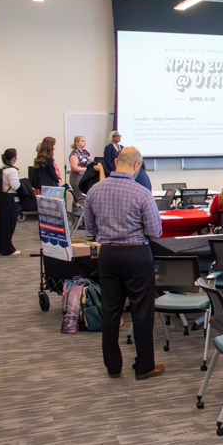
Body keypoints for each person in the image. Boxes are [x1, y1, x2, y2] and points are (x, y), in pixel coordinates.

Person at [82, 146, 164, 380]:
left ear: (116, 161)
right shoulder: (142, 193)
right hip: (137, 255)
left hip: (107, 255)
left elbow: (90, 228)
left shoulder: (95, 191)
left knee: (110, 311)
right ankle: (144, 365)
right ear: (137, 166)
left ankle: (113, 366)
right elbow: (155, 231)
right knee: (141, 311)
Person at [0, 148, 22, 256]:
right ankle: (8, 249)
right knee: (9, 224)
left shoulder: (2, 169)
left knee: (1, 223)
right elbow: (15, 185)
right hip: (10, 198)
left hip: (1, 198)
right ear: (14, 158)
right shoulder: (12, 170)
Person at [68, 136, 92, 206]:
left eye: (85, 141)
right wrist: (87, 169)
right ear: (77, 143)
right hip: (77, 177)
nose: (84, 143)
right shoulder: (74, 153)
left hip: (85, 177)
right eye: (82, 141)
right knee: (82, 198)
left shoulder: (85, 152)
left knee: (87, 198)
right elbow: (74, 168)